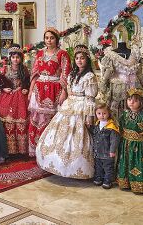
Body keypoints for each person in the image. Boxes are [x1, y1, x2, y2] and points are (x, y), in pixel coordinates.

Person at [36, 47, 98, 178]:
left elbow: (90, 98)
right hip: (70, 104)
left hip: (82, 105)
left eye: (82, 58)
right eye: (77, 58)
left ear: (87, 59)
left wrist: (89, 115)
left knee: (77, 136)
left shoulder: (90, 76)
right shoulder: (72, 74)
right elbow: (69, 90)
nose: (79, 61)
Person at [28, 27, 71, 156]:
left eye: (52, 38)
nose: (49, 40)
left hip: (55, 90)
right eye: (47, 38)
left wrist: (64, 92)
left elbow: (66, 74)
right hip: (39, 89)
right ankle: (37, 149)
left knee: (54, 119)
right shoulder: (40, 53)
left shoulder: (63, 54)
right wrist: (31, 91)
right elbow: (35, 73)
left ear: (56, 39)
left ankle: (51, 150)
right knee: (37, 117)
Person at [0, 45, 30, 155]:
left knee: (21, 118)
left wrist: (25, 89)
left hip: (20, 96)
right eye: (13, 57)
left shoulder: (24, 69)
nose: (15, 59)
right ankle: (9, 149)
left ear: (21, 58)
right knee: (7, 119)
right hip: (7, 95)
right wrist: (4, 88)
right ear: (10, 58)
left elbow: (28, 82)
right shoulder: (4, 68)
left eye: (18, 57)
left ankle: (21, 149)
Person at [88, 103, 120, 189]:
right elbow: (94, 133)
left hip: (107, 153)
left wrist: (112, 151)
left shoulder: (111, 127)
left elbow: (114, 140)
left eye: (104, 113)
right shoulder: (97, 124)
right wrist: (88, 127)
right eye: (99, 113)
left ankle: (108, 180)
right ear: (96, 114)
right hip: (97, 152)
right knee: (98, 166)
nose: (102, 116)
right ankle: (99, 178)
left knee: (108, 167)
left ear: (108, 113)